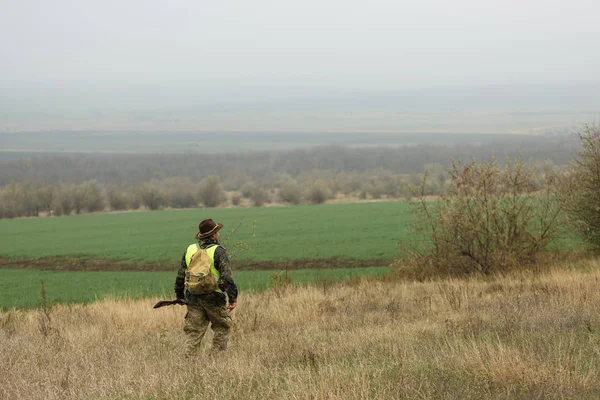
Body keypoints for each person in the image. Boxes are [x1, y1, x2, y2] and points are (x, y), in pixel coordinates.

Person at [174, 218, 238, 355]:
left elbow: (181, 275)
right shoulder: (218, 251)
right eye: (217, 232)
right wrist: (232, 298)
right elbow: (227, 277)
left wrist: (180, 296)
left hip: (193, 297)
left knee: (193, 332)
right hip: (214, 297)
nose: (218, 235)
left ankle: (189, 361)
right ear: (213, 235)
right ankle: (215, 359)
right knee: (222, 327)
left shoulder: (190, 249)